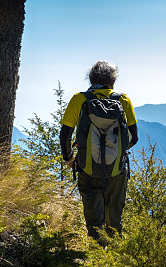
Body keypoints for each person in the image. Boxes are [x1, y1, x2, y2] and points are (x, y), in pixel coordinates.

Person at [59, 60, 138, 242]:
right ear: (113, 80)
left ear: (91, 79)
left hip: (88, 167)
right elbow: (134, 137)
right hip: (117, 170)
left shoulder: (79, 99)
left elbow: (65, 135)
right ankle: (114, 256)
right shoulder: (123, 100)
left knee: (94, 218)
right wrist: (117, 151)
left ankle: (96, 254)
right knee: (114, 217)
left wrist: (69, 158)